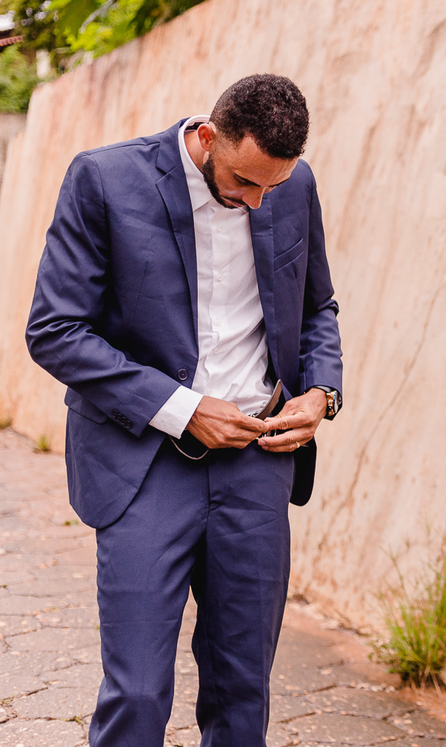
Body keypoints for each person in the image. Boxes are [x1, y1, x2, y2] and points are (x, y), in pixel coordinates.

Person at [26, 74, 343, 746]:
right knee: (138, 692)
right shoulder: (105, 181)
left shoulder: (293, 187)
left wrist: (321, 393)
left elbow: (317, 307)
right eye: (243, 183)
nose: (259, 202)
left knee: (242, 690)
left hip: (258, 465)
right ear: (207, 138)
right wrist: (182, 407)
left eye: (273, 187)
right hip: (143, 466)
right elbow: (54, 330)